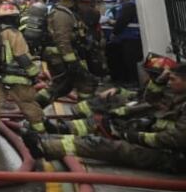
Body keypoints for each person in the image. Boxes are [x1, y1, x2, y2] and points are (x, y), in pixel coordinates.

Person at [23, 59, 186, 174]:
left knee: (107, 145)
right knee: (104, 124)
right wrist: (159, 81)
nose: (169, 83)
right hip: (159, 144)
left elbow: (176, 139)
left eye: (173, 80)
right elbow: (151, 99)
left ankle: (45, 147)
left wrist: (138, 137)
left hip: (171, 157)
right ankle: (52, 136)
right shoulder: (177, 95)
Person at [0, 2, 44, 137]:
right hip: (14, 75)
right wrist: (33, 74)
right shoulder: (13, 33)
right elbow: (21, 56)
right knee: (27, 101)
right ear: (13, 18)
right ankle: (39, 129)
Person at [36, 0, 98, 108]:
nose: (87, 5)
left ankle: (35, 107)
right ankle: (84, 113)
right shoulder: (62, 15)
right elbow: (62, 40)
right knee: (86, 83)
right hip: (59, 57)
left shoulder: (71, 13)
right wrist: (71, 62)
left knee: (62, 86)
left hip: (61, 56)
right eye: (84, 2)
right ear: (73, 1)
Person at [109, 0, 142, 86]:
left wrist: (114, 33)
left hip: (130, 37)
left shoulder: (129, 5)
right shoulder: (129, 3)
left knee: (130, 60)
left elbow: (122, 21)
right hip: (131, 36)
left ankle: (134, 82)